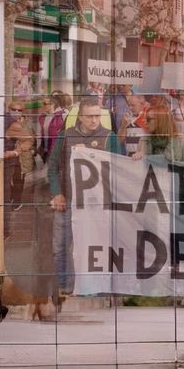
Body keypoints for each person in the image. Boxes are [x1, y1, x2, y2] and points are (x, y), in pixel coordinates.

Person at [47, 98, 125, 296]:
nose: (94, 120)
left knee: (96, 246)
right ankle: (65, 286)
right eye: (89, 116)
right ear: (80, 116)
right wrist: (57, 194)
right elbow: (52, 168)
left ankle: (97, 287)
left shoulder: (110, 137)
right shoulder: (65, 136)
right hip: (69, 202)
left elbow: (120, 170)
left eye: (97, 115)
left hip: (97, 205)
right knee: (60, 247)